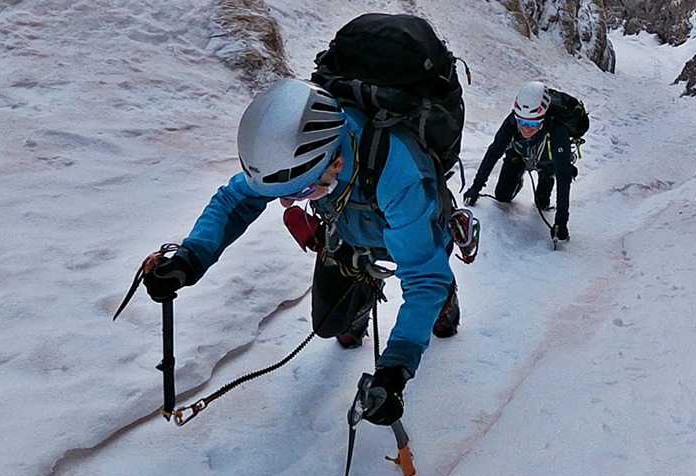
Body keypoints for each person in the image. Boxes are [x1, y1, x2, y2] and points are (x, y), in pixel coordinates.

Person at [140, 77, 454, 426]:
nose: (287, 202)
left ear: (335, 163)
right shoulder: (297, 153)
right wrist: (191, 257)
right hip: (349, 235)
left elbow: (423, 277)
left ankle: (446, 304)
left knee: (433, 287)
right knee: (329, 324)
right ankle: (361, 298)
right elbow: (236, 198)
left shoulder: (400, 176)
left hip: (415, 234)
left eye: (300, 191)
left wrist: (396, 367)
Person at [464, 80, 586, 242]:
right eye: (522, 122)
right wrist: (475, 188)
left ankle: (546, 177)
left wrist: (561, 222)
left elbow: (564, 178)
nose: (526, 128)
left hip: (549, 162)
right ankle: (521, 174)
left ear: (543, 118)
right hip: (519, 155)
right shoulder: (511, 122)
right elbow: (493, 153)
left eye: (532, 123)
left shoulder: (558, 131)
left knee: (542, 202)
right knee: (502, 196)